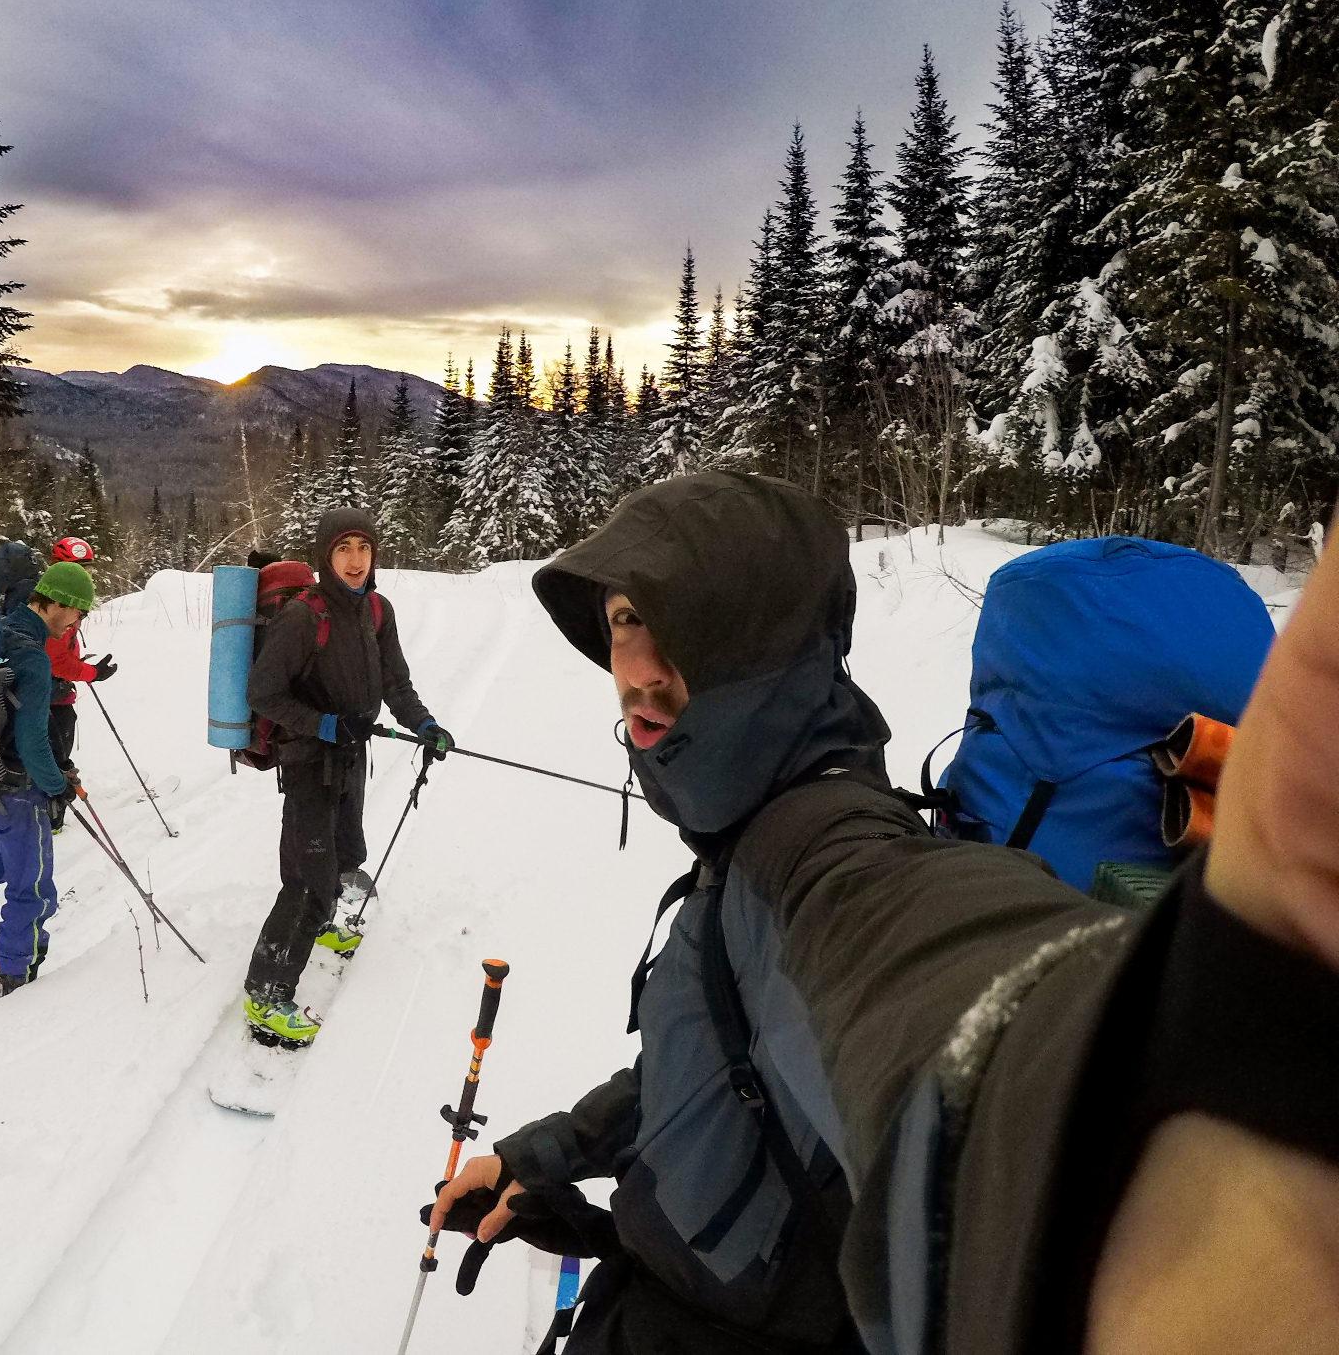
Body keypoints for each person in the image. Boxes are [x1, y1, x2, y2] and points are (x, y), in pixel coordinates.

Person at [429, 473, 1339, 1355]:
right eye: (624, 621)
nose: (633, 668)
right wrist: (553, 1153)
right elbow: (721, 1057)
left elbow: (943, 993)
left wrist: (1140, 1157)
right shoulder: (757, 832)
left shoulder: (824, 844)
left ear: (767, 645)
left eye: (677, 623)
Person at [241, 507, 454, 1046]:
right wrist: (326, 724)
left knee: (346, 849)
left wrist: (424, 724)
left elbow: (396, 682)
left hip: (352, 753)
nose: (355, 560)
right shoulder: (304, 616)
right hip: (309, 759)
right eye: (343, 549)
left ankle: (329, 922)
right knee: (309, 875)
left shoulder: (378, 611)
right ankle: (265, 994)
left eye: (363, 547)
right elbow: (262, 693)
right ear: (325, 556)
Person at [0, 560, 97, 995]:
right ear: (59, 605)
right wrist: (57, 784)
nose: (77, 623)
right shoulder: (31, 655)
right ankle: (18, 969)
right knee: (30, 883)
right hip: (17, 787)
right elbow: (31, 740)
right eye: (78, 612)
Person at [43, 536, 116, 776]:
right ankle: (52, 809)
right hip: (49, 700)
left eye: (89, 570)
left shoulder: (58, 597)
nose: (87, 577)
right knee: (56, 764)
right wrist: (91, 673)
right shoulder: (56, 605)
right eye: (81, 570)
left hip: (54, 695)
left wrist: (81, 666)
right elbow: (55, 663)